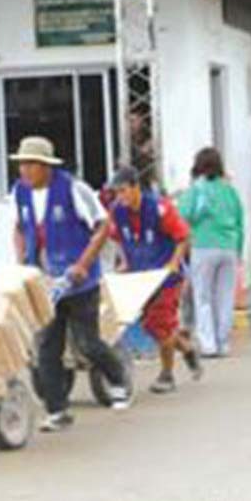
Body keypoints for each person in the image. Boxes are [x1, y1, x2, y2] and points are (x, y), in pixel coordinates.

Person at [11, 136, 130, 432]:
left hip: (79, 281)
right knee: (47, 349)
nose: (24, 170)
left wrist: (83, 263)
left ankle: (117, 377)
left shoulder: (73, 189)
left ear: (46, 166)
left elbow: (103, 226)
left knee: (87, 343)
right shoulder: (21, 193)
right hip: (45, 283)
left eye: (30, 164)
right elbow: (19, 228)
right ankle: (57, 410)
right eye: (21, 164)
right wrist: (22, 257)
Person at [107, 167, 202, 394]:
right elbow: (115, 237)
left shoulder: (160, 209)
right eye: (116, 193)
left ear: (135, 187)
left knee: (159, 322)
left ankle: (167, 374)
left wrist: (173, 263)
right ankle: (187, 349)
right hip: (140, 277)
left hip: (166, 277)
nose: (121, 197)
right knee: (153, 326)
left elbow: (184, 237)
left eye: (123, 191)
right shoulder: (117, 211)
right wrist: (123, 261)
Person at [179, 147, 244, 358]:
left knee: (203, 296)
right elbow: (240, 221)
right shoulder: (230, 190)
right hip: (229, 247)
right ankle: (223, 343)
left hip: (204, 246)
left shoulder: (196, 190)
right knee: (224, 297)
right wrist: (239, 251)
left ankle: (208, 344)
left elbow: (183, 216)